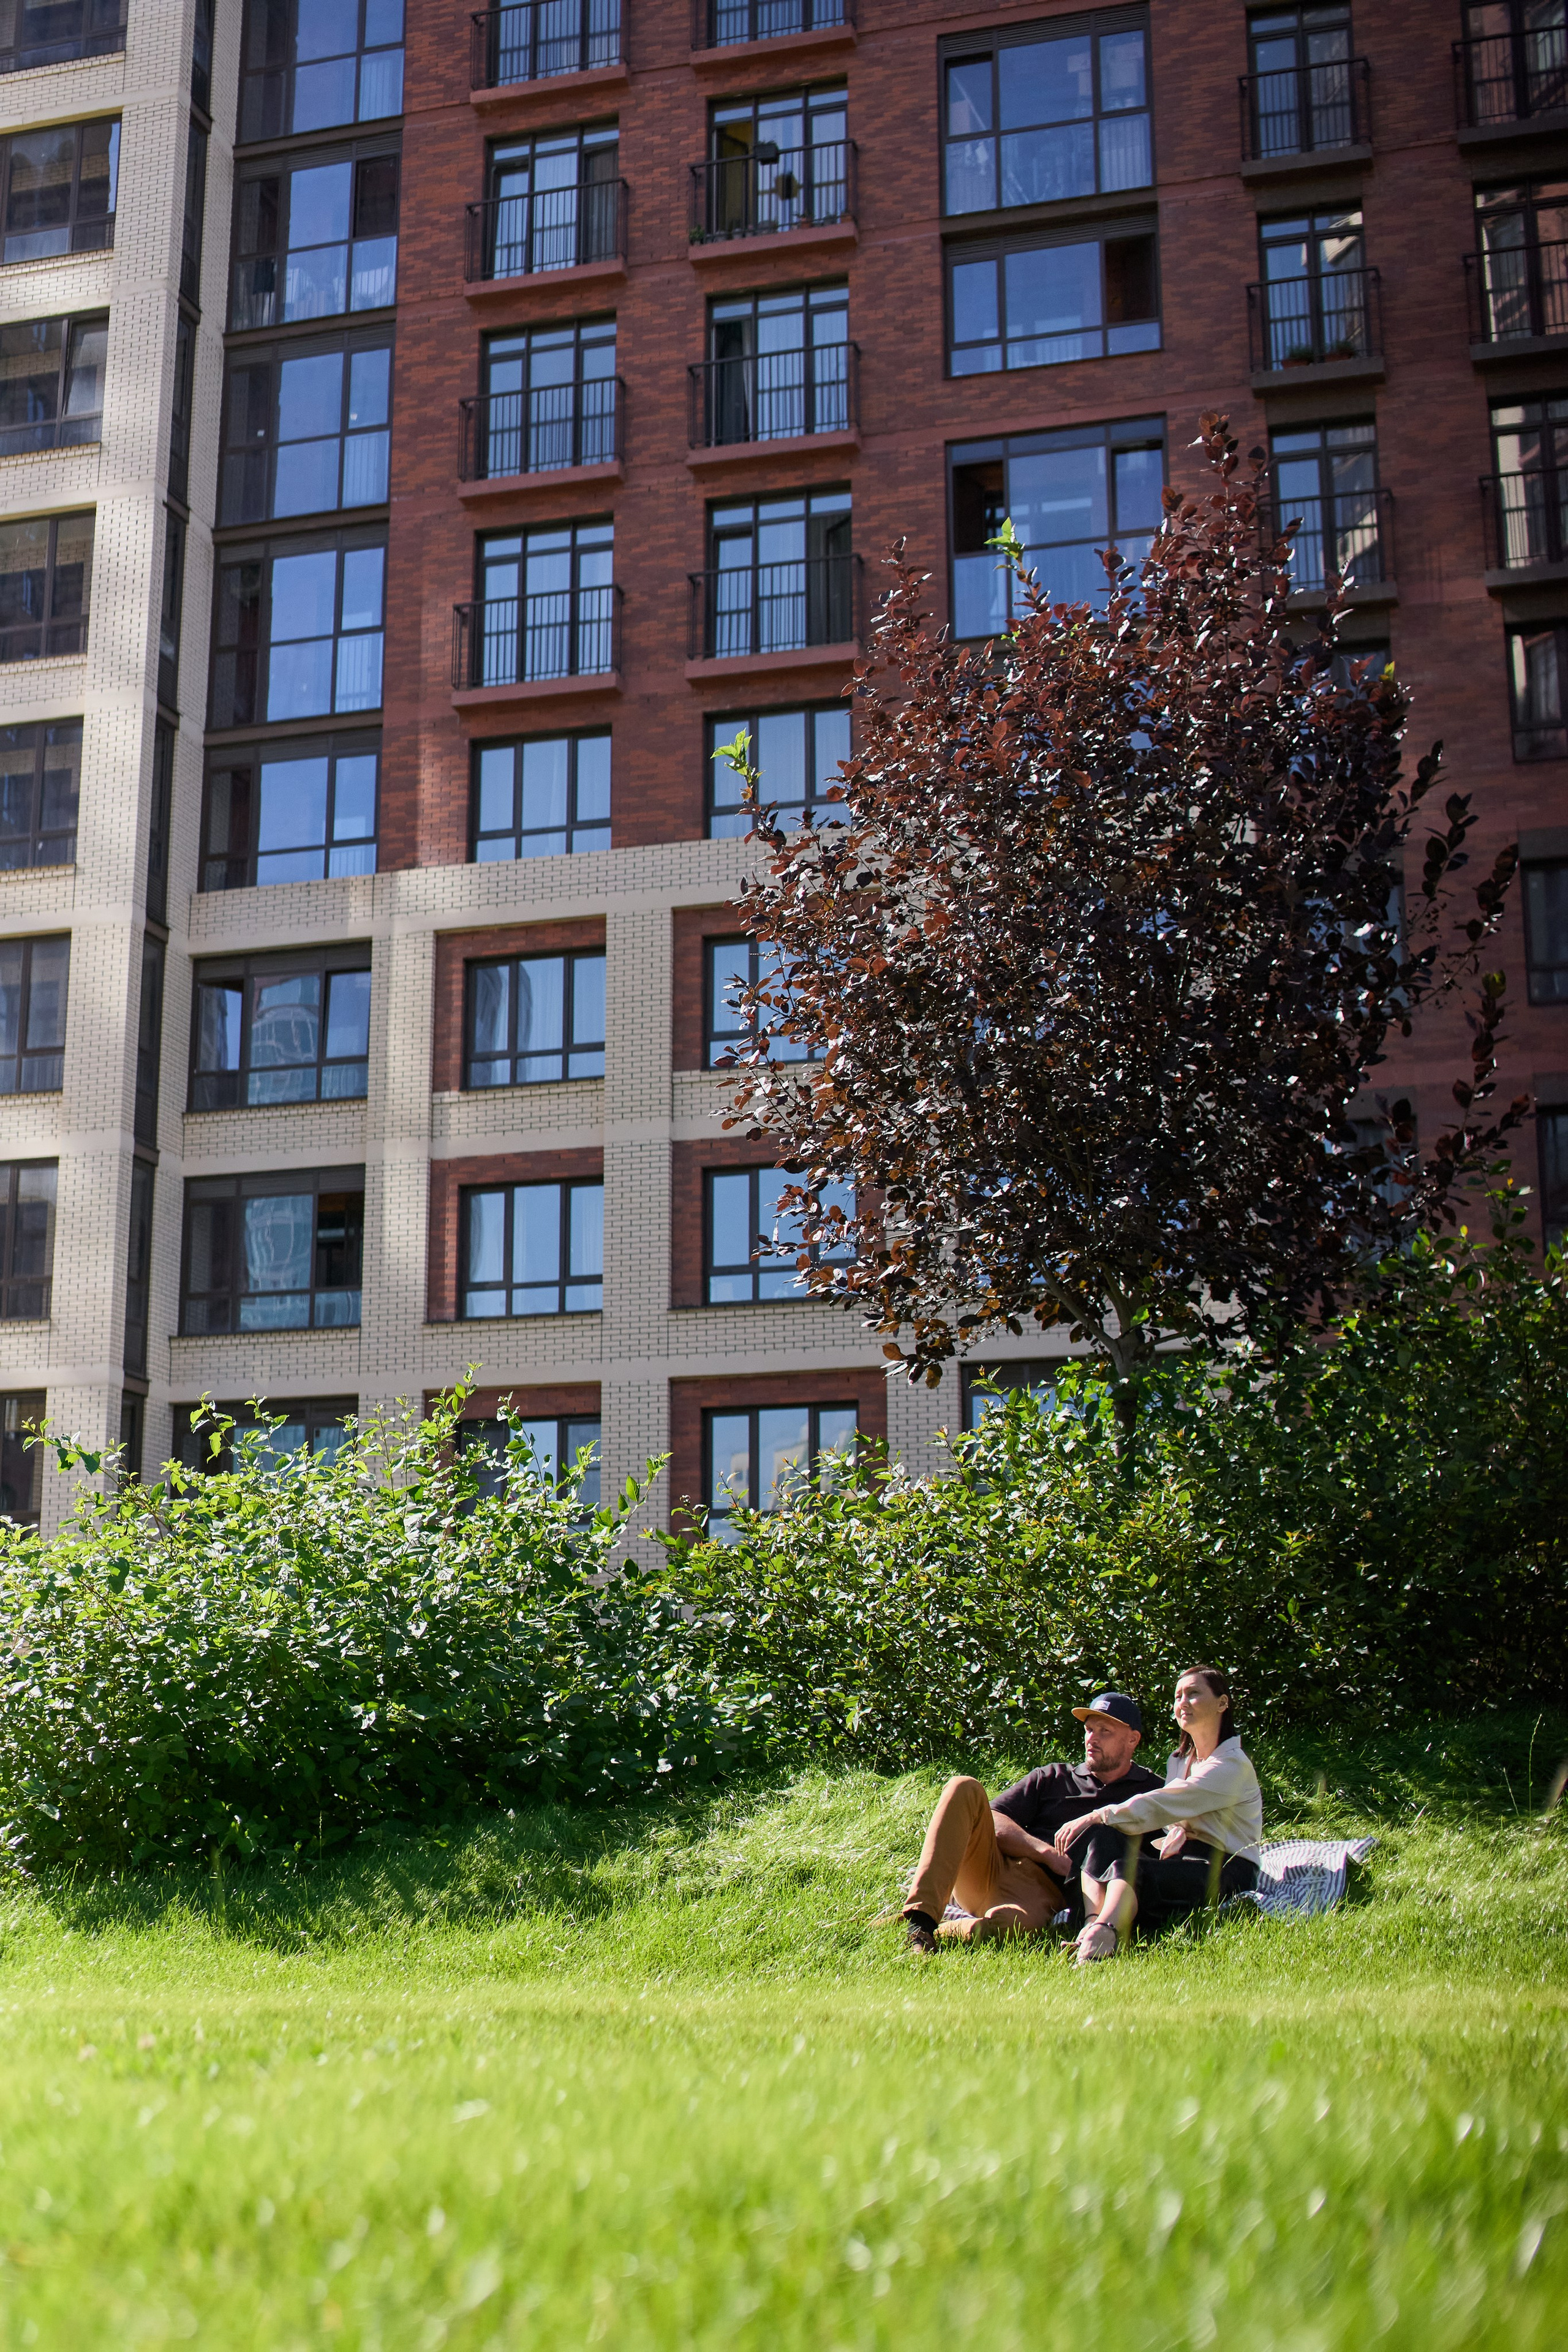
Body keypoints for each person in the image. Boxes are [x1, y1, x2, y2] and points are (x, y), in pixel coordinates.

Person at [901, 1693, 1164, 1954]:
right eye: (1088, 1730)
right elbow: (993, 1818)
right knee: (963, 1787)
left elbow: (1161, 1859)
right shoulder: (1053, 1776)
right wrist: (1046, 1852)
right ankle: (920, 1924)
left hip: (1044, 1895)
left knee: (1009, 1930)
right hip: (994, 1868)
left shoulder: (1153, 1793)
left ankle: (943, 1927)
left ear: (1133, 1739)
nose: (1092, 1739)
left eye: (1104, 1731)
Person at [1054, 1664, 1262, 1964]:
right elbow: (1173, 1820)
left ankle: (1106, 1933)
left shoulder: (1232, 1766)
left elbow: (1166, 1804)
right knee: (1102, 1836)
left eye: (1193, 1694)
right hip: (1184, 1862)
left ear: (1222, 1703)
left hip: (1226, 1870)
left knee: (1130, 1866)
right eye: (1178, 1696)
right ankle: (1091, 1926)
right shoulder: (1179, 1761)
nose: (1183, 1703)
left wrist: (1098, 1813)